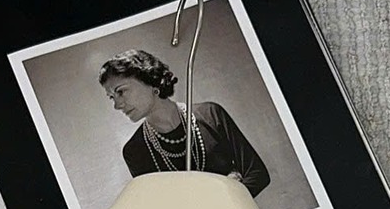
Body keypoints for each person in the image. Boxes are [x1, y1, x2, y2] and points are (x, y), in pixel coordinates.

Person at [99, 48, 272, 196]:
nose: (117, 105)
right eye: (111, 97)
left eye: (121, 92)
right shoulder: (135, 151)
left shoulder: (210, 114)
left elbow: (258, 174)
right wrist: (229, 188)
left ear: (149, 81)